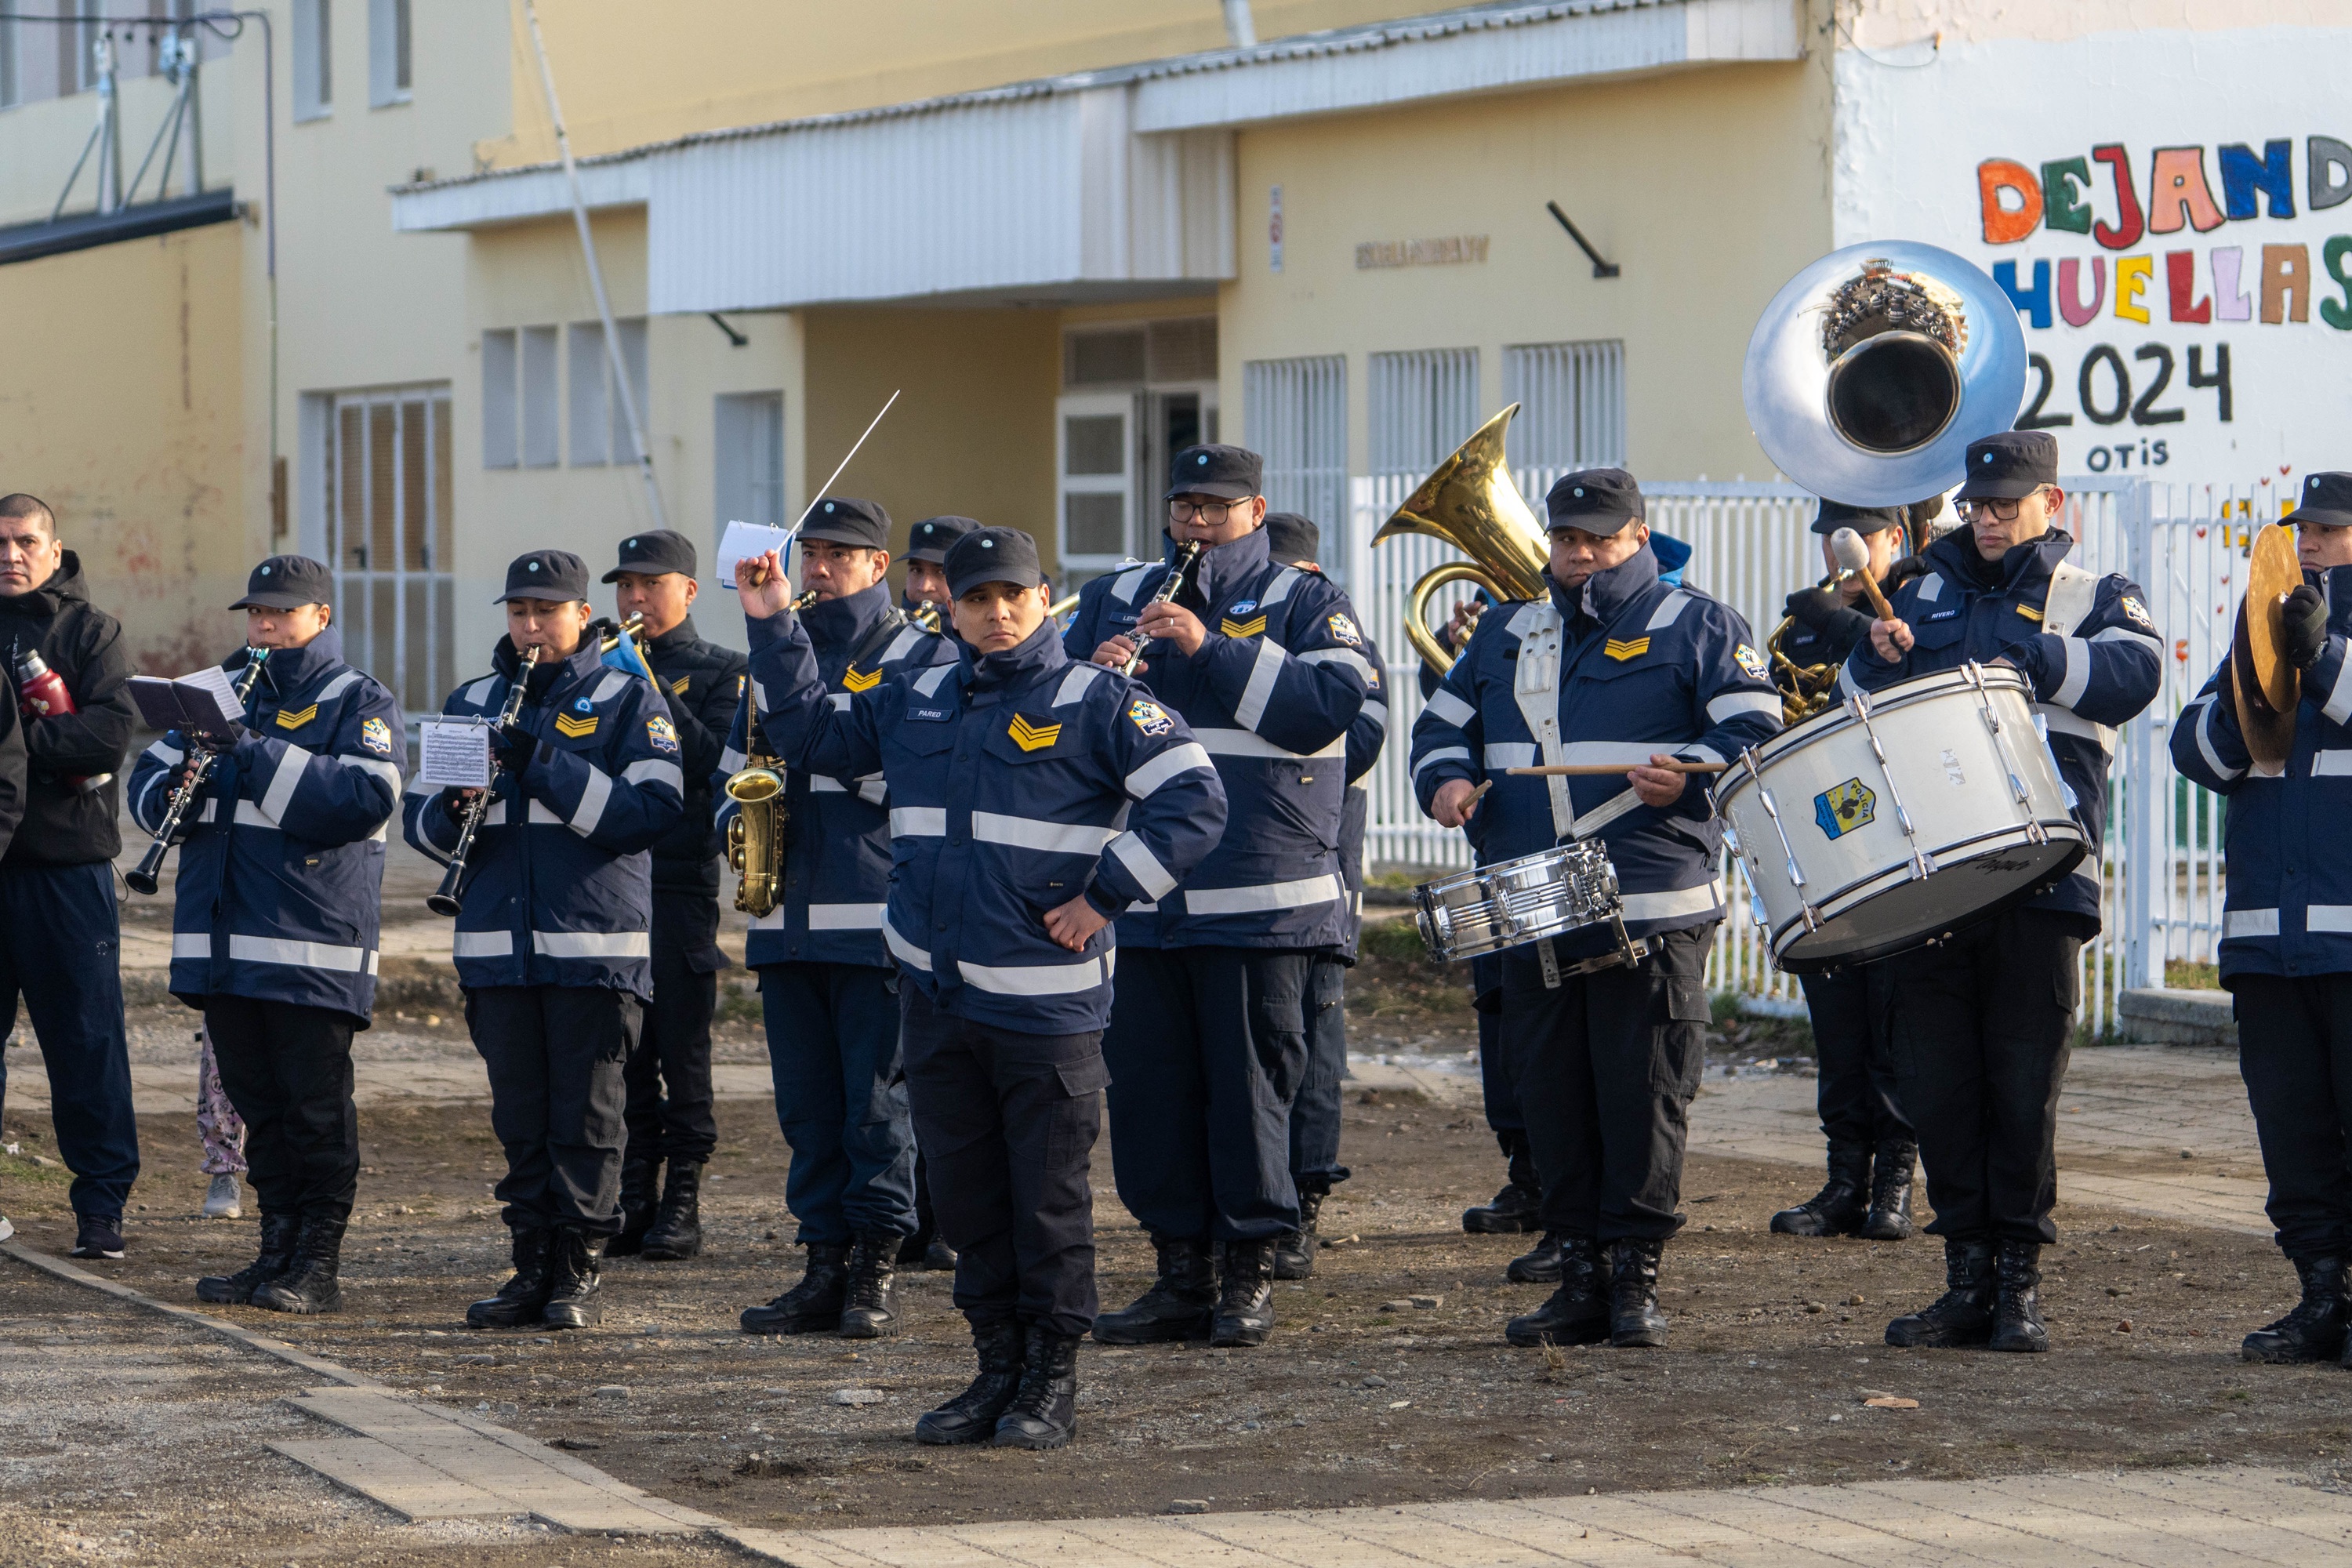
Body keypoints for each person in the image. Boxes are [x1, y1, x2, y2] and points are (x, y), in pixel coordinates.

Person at [739, 525, 1225, 1449]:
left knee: (1044, 1201)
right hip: (936, 998)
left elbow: (1196, 799)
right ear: (951, 609)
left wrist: (1105, 896)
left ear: (1046, 597)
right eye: (976, 599)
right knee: (967, 1201)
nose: (997, 614)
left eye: (1014, 596)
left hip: (1045, 1009)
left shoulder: (1098, 697)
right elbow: (809, 735)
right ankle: (993, 1366)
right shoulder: (918, 690)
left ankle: (1050, 1376)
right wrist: (769, 618)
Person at [1410, 467, 1782, 1350]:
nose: (1579, 555)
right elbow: (1437, 729)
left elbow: (1756, 730)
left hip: (1651, 901)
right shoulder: (1505, 628)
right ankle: (1577, 1268)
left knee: (1643, 1091)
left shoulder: (1701, 624)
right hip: (1530, 901)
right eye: (1567, 539)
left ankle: (1635, 1278)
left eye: (1599, 540)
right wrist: (1447, 781)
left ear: (1639, 537)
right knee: (1553, 1094)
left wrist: (1687, 769)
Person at [1849, 430, 2161, 1352]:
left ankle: (2018, 1280)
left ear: (2050, 503)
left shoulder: (2095, 594)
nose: (1987, 520)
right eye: (1978, 505)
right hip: (1932, 882)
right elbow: (1857, 707)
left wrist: (2036, 655)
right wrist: (1872, 653)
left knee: (2022, 1090)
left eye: (2006, 505)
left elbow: (2135, 676)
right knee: (1942, 1088)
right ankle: (1965, 1278)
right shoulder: (1915, 585)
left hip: (2041, 879)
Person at [1067, 445, 1373, 1350]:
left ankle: (1247, 1274)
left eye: (1217, 507)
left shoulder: (1307, 598)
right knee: (1154, 1094)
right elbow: (1057, 715)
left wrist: (1210, 646)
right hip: (1148, 895)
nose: (1197, 523)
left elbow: (1331, 707)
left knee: (1249, 1094)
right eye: (1185, 506)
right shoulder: (1117, 592)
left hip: (1262, 893)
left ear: (1256, 511)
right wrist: (1100, 674)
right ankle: (1179, 1272)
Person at [404, 550, 684, 1331]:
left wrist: (544, 763)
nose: (530, 627)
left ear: (580, 613)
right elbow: (418, 819)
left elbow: (649, 813)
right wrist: (452, 814)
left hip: (593, 948)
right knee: (521, 1116)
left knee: (589, 1118)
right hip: (497, 945)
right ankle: (530, 1261)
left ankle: (578, 1266)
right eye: (518, 612)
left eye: (546, 612)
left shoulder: (629, 698)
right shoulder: (472, 699)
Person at [129, 555, 404, 1314]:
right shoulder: (215, 691)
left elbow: (361, 797)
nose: (264, 627)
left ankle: (319, 1262)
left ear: (320, 617)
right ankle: (275, 1250)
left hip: (310, 948)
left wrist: (251, 751)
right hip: (224, 945)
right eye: (255, 614)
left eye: (280, 614)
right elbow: (146, 786)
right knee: (261, 1112)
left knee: (315, 1111)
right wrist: (180, 784)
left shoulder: (358, 698)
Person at [729, 499, 955, 1338]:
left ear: (878, 563)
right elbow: (733, 766)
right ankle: (821, 1262)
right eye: (810, 552)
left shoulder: (922, 654)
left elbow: (921, 780)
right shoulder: (769, 653)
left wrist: (822, 763)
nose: (819, 568)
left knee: (875, 1106)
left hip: (873, 915)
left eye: (838, 554)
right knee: (809, 1110)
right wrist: (741, 819)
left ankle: (874, 1268)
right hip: (784, 916)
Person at [2169, 470, 2352, 1364]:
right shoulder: (2262, 630)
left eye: (2329, 530)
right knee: (2295, 1134)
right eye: (2303, 529)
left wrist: (2322, 660)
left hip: (2349, 942)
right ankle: (2322, 1295)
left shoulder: (2322, 641)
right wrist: (2259, 671)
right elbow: (2194, 748)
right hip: (2265, 941)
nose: (2309, 542)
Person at [1766, 501, 1918, 1243]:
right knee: (1835, 1012)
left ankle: (1895, 1179)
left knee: (1894, 1013)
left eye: (1859, 536)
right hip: (1823, 833)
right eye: (1831, 538)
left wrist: (1848, 630)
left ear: (1897, 537)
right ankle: (1842, 1178)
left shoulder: (1917, 601)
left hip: (1894, 831)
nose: (1841, 551)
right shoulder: (1800, 624)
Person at [599, 531, 749, 1262]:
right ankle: (635, 1194)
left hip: (679, 882)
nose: (633, 600)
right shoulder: (597, 670)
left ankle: (682, 1199)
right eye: (624, 587)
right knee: (622, 1052)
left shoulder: (724, 671)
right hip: (607, 884)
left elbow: (713, 765)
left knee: (681, 1047)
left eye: (649, 586)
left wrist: (648, 689)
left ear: (687, 591)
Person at [0, 492, 137, 1260]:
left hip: (67, 873)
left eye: (25, 540)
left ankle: (101, 1206)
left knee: (85, 1044)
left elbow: (109, 734)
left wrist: (14, 738)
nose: (10, 554)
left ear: (54, 549)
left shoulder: (92, 632)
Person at [1257, 512, 1388, 1279]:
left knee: (1313, 1039)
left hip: (1318, 874)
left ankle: (1304, 1199)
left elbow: (1361, 734)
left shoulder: (1334, 632)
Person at [893, 510, 981, 1270]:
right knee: (915, 1073)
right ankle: (919, 1216)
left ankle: (947, 1216)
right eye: (915, 572)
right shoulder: (898, 661)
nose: (924, 588)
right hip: (907, 899)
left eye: (940, 574)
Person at [902, 514, 977, 633]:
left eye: (942, 572)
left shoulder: (991, 643)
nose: (924, 587)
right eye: (917, 570)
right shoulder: (884, 634)